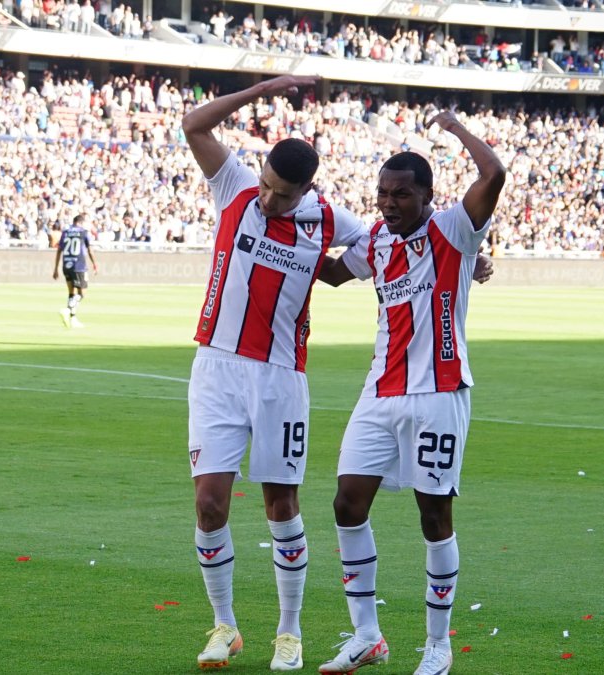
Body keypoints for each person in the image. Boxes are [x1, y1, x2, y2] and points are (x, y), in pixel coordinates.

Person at [180, 74, 368, 672]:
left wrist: (339, 272)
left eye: (283, 195)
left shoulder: (329, 218)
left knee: (281, 503)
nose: (268, 199)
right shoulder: (234, 186)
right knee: (210, 502)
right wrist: (263, 89)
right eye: (265, 185)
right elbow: (194, 124)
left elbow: (390, 241)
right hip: (216, 367)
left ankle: (289, 634)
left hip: (282, 378)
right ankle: (225, 627)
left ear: (307, 190)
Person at [314, 110, 506, 675]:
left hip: (439, 393)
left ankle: (437, 646)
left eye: (400, 194)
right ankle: (367, 636)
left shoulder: (453, 230)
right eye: (382, 193)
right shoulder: (376, 241)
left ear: (427, 196)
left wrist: (454, 129)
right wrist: (278, 235)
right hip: (379, 393)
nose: (387, 203)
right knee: (347, 504)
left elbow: (493, 173)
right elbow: (330, 274)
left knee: (433, 515)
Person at [52, 214, 98, 328]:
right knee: (82, 293)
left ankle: (72, 318)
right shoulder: (84, 232)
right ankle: (68, 310)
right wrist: (94, 264)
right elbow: (90, 250)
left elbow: (59, 250)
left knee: (71, 293)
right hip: (79, 266)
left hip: (66, 265)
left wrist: (56, 268)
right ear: (81, 222)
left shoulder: (66, 232)